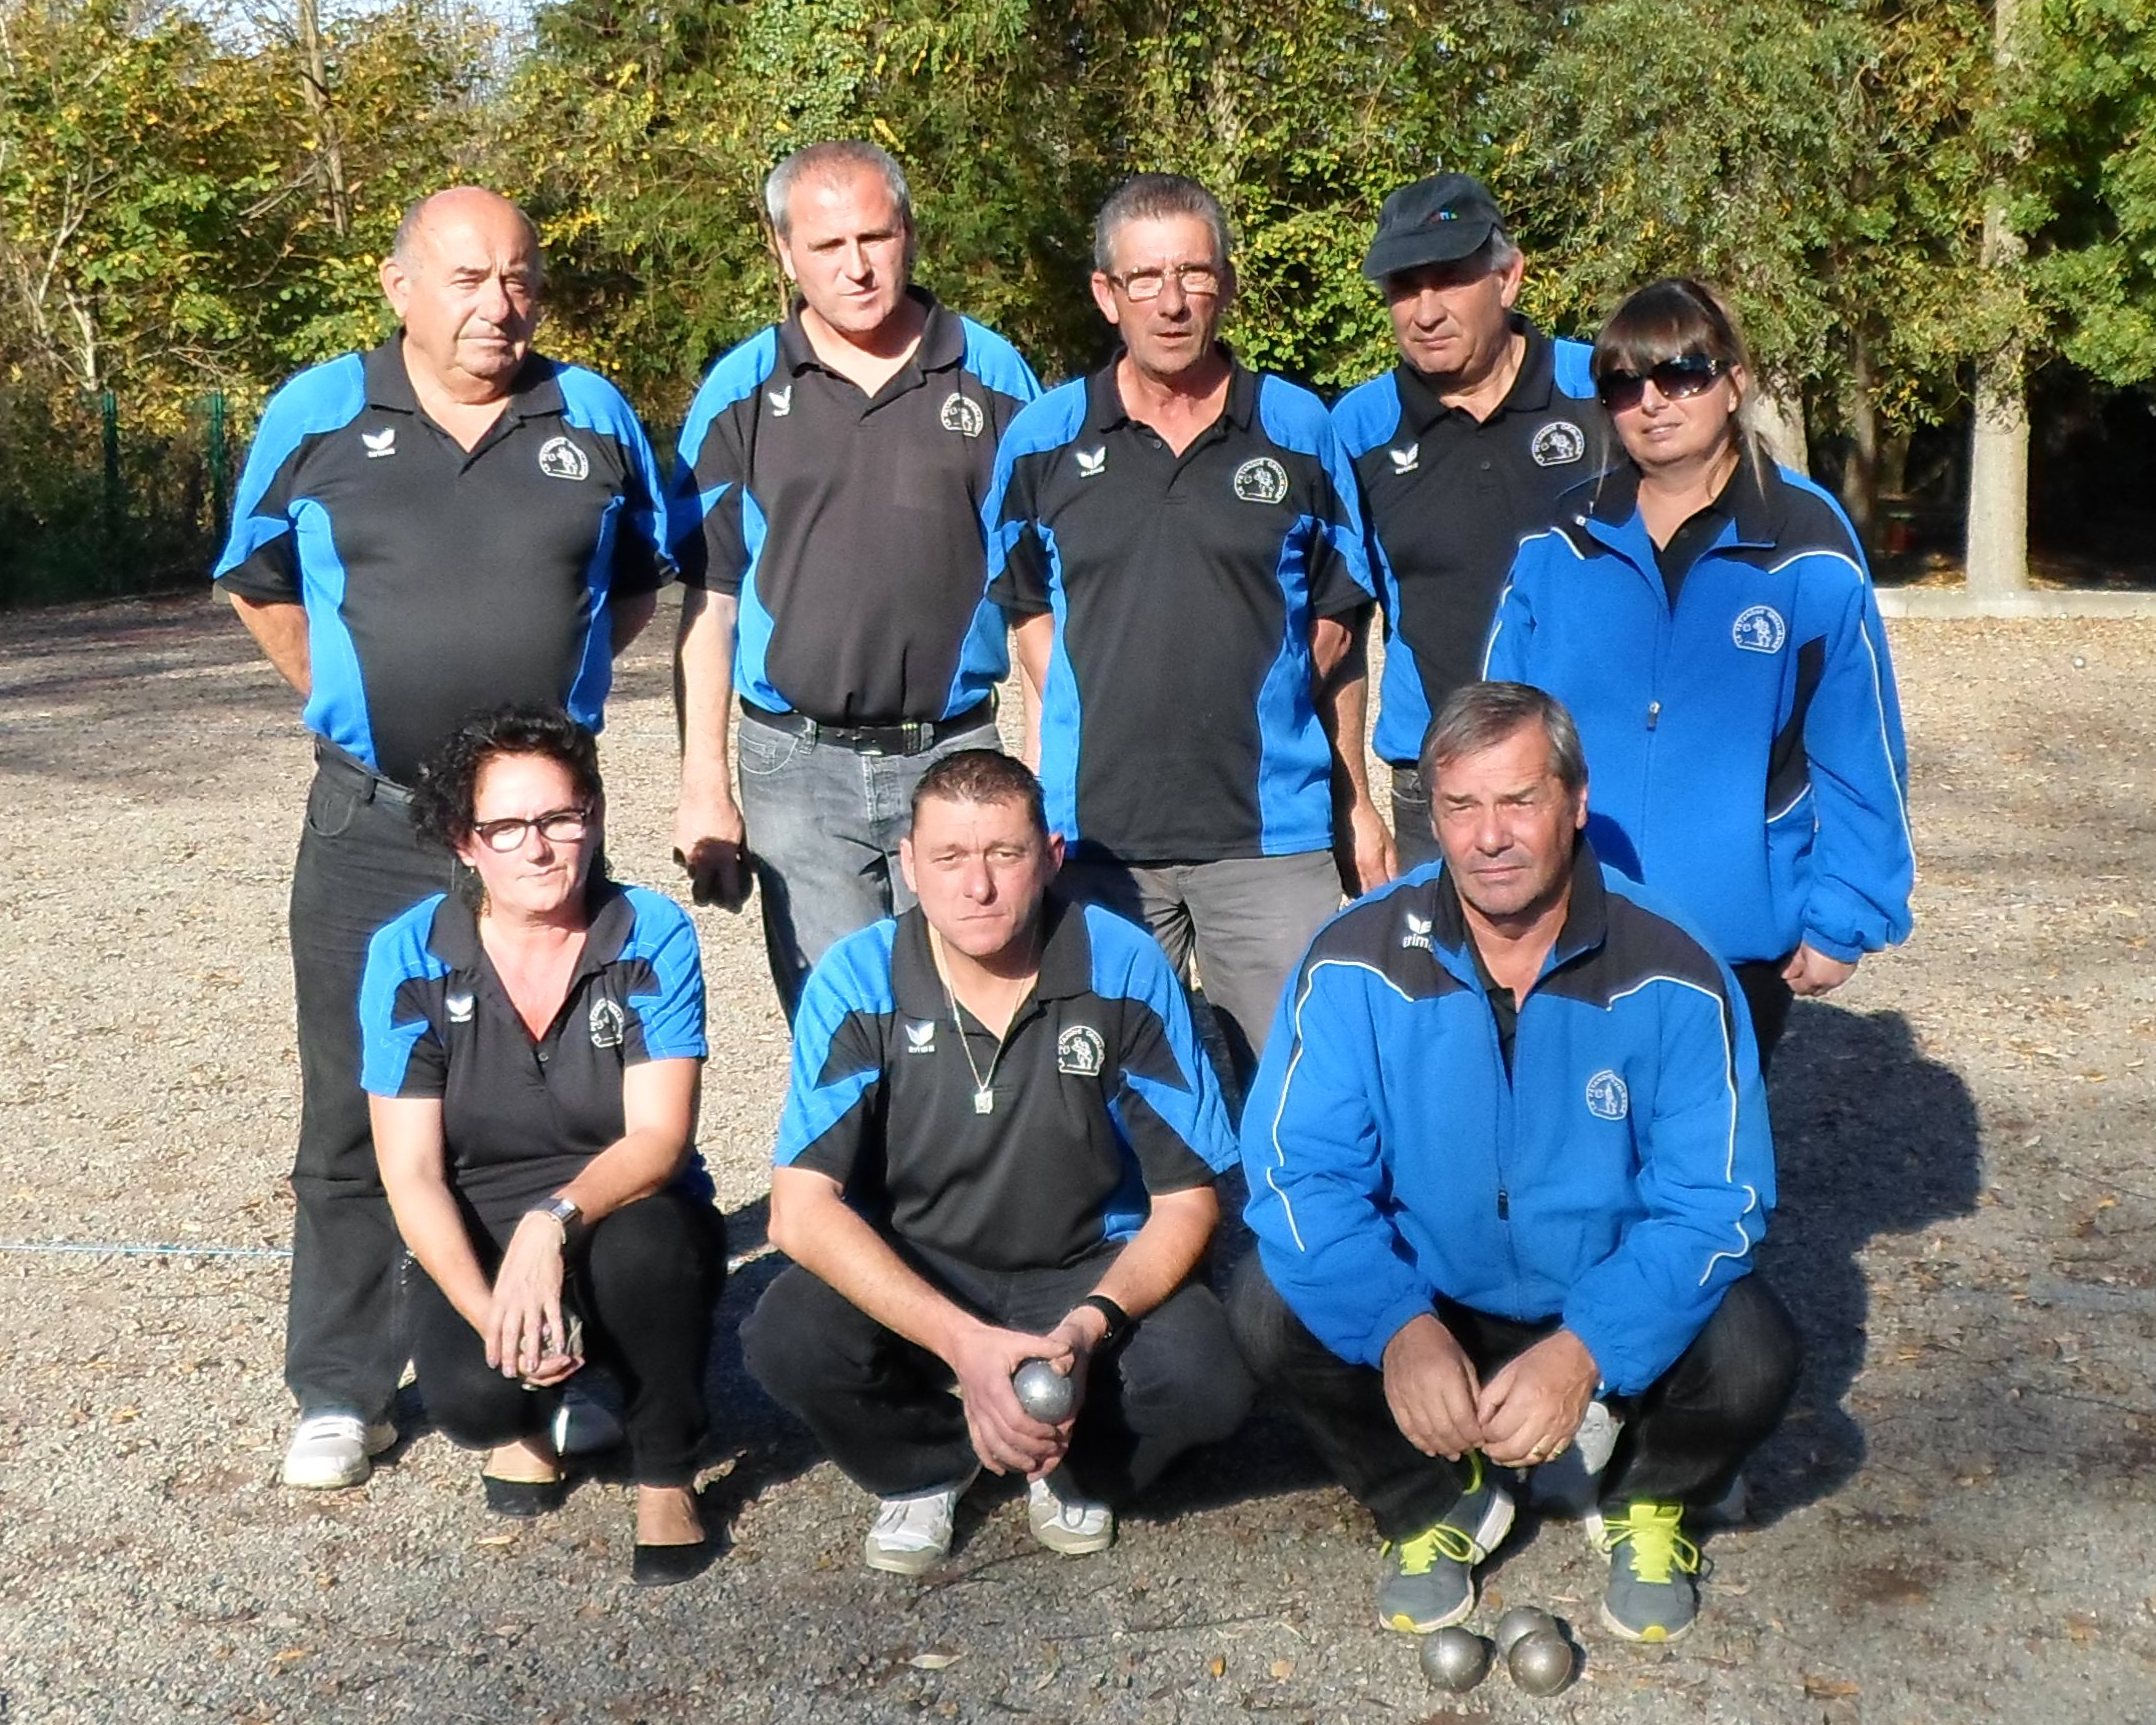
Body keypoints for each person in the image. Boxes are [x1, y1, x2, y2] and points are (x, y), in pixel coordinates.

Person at [211, 187, 674, 1489]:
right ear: (397, 283)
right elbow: (256, 582)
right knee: (358, 1098)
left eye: (520, 275)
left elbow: (636, 583)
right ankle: (342, 1387)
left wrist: (544, 724)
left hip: (545, 837)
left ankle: (578, 1362)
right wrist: (347, 704)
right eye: (467, 275)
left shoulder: (593, 414)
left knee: (569, 1101)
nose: (499, 300)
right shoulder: (317, 414)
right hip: (373, 818)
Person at [1230, 683, 1801, 1645]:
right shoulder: (1354, 959)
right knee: (1263, 1301)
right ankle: (1432, 1497)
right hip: (1433, 1289)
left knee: (1754, 1350)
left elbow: (1717, 1202)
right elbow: (1299, 1173)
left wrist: (1586, 1348)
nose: (1489, 836)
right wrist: (1397, 1326)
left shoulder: (1676, 969)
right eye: (1461, 805)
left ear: (1575, 801)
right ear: (1434, 813)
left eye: (1519, 799)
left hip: (1596, 1291)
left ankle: (1651, 1494)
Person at [742, 751, 1254, 1575]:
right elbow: (799, 1210)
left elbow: (1189, 1199)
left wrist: (1089, 1327)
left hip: (1086, 1264)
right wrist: (963, 1343)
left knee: (1210, 1375)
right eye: (947, 857)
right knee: (788, 1336)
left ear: (1051, 856)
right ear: (908, 863)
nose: (975, 887)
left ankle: (1072, 1461)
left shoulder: (1121, 964)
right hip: (925, 1261)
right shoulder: (858, 976)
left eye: (1003, 855)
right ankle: (932, 1461)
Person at [984, 173, 1384, 1088]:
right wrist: (1092, 690)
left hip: (1269, 839)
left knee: (1307, 1086)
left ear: (1227, 285)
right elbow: (1027, 605)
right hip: (1099, 841)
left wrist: (1288, 698)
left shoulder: (1295, 427)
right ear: (1106, 295)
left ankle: (1289, 1240)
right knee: (1111, 1101)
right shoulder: (1044, 440)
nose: (1171, 302)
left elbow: (1339, 607)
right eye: (1146, 278)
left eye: (1195, 275)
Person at [1484, 277, 1912, 1068]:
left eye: (1682, 373)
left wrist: (1846, 913)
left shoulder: (1806, 543)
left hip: (1736, 930)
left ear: (1735, 382)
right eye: (1622, 382)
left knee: (1712, 1165)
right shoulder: (1557, 541)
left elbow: (1859, 746)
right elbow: (1497, 738)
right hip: (1571, 919)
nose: (1652, 400)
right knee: (1578, 1160)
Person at [670, 140, 1040, 1019]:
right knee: (842, 1034)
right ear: (783, 251)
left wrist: (1051, 764)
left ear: (908, 234)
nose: (858, 266)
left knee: (973, 1018)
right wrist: (702, 785)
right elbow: (709, 600)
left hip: (956, 755)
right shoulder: (741, 391)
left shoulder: (993, 377)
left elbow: (1038, 593)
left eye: (875, 237)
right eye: (828, 246)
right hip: (796, 769)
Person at [360, 707, 725, 1586]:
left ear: (593, 817)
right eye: (507, 827)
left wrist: (549, 1224)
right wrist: (493, 1313)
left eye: (562, 817)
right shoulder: (405, 954)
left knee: (653, 1251)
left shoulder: (651, 930)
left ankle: (665, 1466)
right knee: (475, 1400)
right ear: (464, 839)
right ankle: (533, 1417)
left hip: (622, 1203)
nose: (539, 847)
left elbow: (660, 1136)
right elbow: (409, 1171)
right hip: (478, 1215)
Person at [1331, 172, 1606, 870]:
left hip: (1605, 773)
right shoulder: (1355, 432)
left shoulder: (1606, 396)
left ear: (1508, 278)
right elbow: (1335, 632)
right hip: (1440, 788)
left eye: (1449, 279)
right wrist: (1355, 802)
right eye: (1402, 287)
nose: (1424, 311)